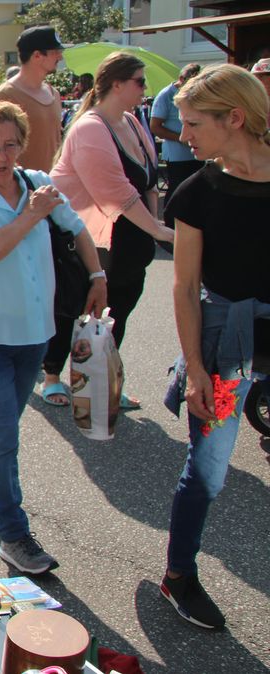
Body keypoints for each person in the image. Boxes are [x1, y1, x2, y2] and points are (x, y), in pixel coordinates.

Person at [0, 101, 106, 574]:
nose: (2, 155)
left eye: (11, 144)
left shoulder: (35, 183)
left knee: (3, 425)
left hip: (35, 332)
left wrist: (97, 275)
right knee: (4, 436)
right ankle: (14, 536)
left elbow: (77, 231)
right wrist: (31, 216)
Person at [161, 63, 270, 630]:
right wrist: (197, 368)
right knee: (209, 469)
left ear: (236, 117)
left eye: (193, 121)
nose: (184, 134)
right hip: (224, 343)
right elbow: (182, 286)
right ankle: (178, 574)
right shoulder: (195, 191)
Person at [51, 52, 175, 409]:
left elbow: (149, 180)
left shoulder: (133, 122)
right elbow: (115, 192)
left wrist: (155, 227)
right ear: (116, 84)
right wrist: (160, 231)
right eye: (139, 81)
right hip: (96, 238)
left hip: (130, 240)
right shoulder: (91, 127)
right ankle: (55, 378)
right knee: (83, 311)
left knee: (114, 315)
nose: (145, 88)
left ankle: (99, 387)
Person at [0, 25, 64, 172]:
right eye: (55, 52)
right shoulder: (6, 96)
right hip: (24, 188)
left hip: (53, 186)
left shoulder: (54, 93)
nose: (60, 56)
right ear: (37, 55)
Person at [151, 64, 204, 203]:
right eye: (192, 82)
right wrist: (182, 139)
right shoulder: (165, 95)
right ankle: (170, 222)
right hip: (177, 155)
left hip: (197, 153)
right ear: (181, 78)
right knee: (177, 190)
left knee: (196, 191)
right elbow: (155, 127)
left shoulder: (195, 94)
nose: (195, 86)